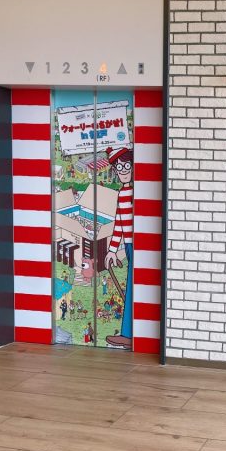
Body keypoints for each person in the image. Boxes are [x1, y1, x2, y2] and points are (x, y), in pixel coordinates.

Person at [104, 146, 133, 350]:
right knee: (131, 283)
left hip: (138, 243)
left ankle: (128, 333)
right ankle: (128, 333)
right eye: (119, 167)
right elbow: (119, 224)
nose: (122, 171)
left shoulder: (135, 192)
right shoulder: (122, 193)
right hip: (130, 244)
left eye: (126, 166)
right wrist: (113, 250)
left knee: (132, 284)